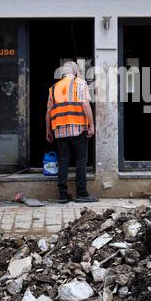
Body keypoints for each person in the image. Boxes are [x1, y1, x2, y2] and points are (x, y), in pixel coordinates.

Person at [46, 61, 98, 203]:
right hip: (79, 128)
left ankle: (62, 195)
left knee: (63, 160)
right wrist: (92, 125)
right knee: (81, 160)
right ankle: (81, 193)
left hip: (60, 130)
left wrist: (48, 130)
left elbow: (49, 112)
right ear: (75, 72)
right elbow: (85, 105)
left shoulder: (54, 88)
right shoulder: (80, 83)